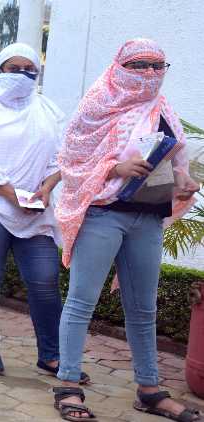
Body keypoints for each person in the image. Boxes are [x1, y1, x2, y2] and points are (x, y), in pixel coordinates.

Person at [53, 39, 201, 422]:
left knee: (143, 308)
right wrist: (113, 169)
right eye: (139, 65)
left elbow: (172, 160)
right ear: (120, 66)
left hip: (148, 216)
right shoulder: (96, 105)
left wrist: (184, 180)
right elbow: (70, 160)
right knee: (82, 301)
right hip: (104, 213)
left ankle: (150, 390)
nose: (150, 73)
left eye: (157, 65)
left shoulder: (163, 108)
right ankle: (68, 384)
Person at [0, 42, 78, 378]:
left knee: (44, 280)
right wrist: (11, 194)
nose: (22, 75)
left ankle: (51, 355)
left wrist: (48, 187)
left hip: (35, 209)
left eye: (29, 70)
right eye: (14, 69)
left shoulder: (48, 110)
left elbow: (63, 158)